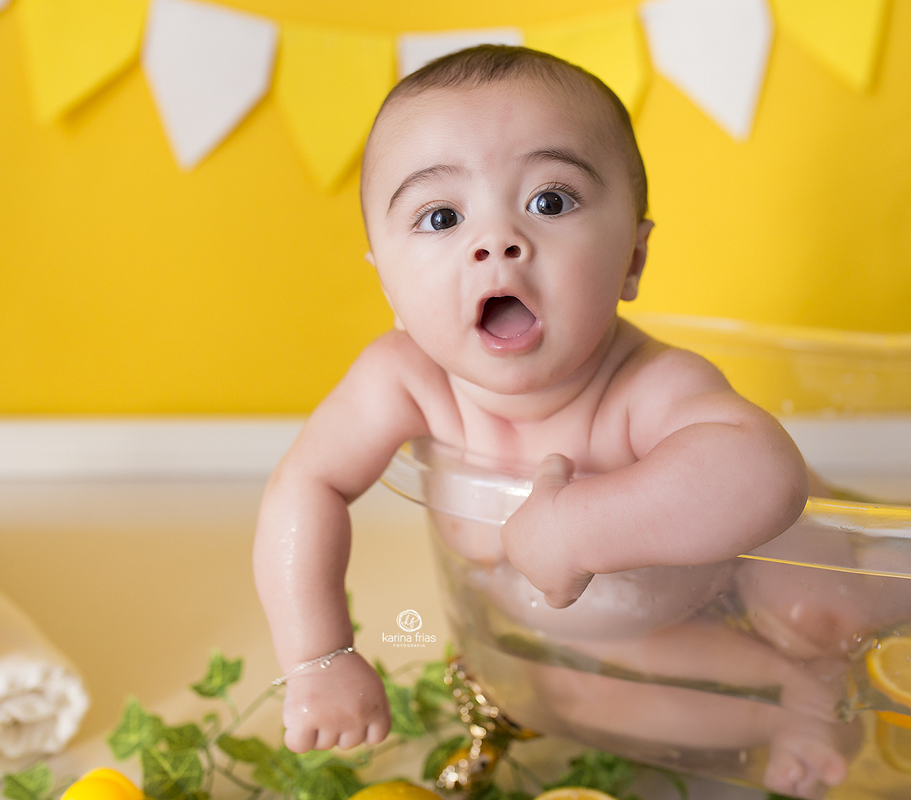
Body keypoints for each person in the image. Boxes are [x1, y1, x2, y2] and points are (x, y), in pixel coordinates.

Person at [254, 45, 845, 798]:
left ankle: (839, 662)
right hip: (604, 647)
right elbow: (305, 484)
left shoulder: (648, 386)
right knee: (571, 696)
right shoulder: (402, 378)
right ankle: (790, 705)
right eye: (441, 216)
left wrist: (577, 526)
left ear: (632, 256)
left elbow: (766, 474)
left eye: (550, 201)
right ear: (390, 287)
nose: (496, 241)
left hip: (738, 597)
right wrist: (318, 658)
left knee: (816, 605)